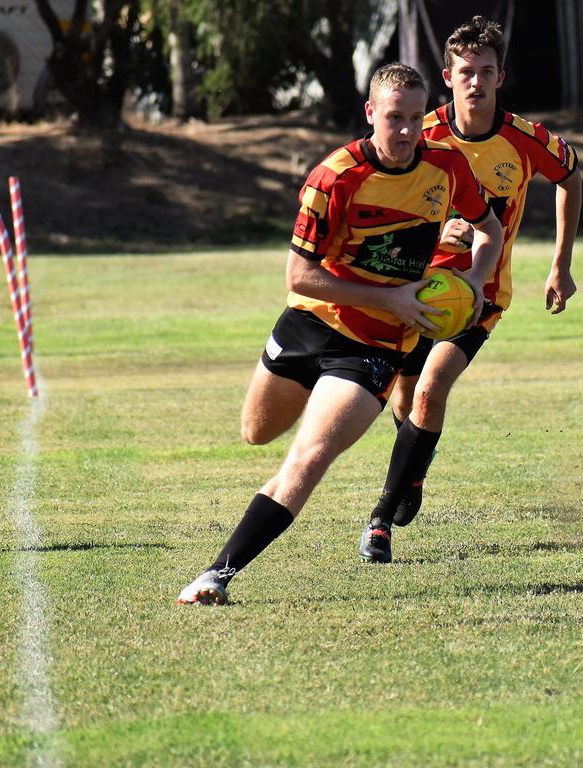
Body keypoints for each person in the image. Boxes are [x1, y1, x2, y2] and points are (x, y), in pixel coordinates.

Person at [177, 63, 503, 605]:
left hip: (375, 346)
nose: (405, 131)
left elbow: (489, 228)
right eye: (394, 117)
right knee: (256, 433)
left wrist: (471, 278)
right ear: (370, 113)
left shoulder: (447, 168)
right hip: (309, 322)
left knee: (308, 458)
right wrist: (390, 296)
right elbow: (299, 276)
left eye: (416, 119)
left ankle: (217, 574)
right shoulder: (334, 177)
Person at [358, 15, 582, 564]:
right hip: (413, 287)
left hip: (479, 296)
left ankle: (380, 518)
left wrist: (561, 264)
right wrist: (440, 229)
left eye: (486, 72)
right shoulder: (422, 132)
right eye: (466, 72)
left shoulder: (526, 141)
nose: (475, 82)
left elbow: (572, 177)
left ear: (501, 77)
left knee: (432, 388)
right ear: (448, 75)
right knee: (405, 397)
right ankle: (411, 475)